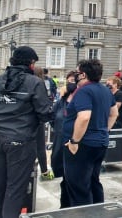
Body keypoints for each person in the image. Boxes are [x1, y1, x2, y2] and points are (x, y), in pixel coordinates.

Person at [0, 46, 54, 218]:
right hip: (20, 139)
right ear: (31, 63)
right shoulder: (34, 82)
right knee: (15, 188)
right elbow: (45, 113)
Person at [62, 59, 118, 207]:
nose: (75, 76)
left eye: (77, 73)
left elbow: (84, 117)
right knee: (93, 181)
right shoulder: (105, 90)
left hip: (83, 144)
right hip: (99, 143)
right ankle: (97, 211)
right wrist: (104, 130)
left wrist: (74, 142)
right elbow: (114, 113)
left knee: (79, 186)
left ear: (84, 74)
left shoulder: (84, 91)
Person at [51, 71, 77, 208]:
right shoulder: (61, 101)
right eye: (69, 81)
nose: (70, 83)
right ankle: (65, 206)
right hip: (60, 142)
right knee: (64, 179)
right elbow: (53, 117)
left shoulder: (80, 99)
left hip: (74, 143)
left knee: (73, 179)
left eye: (73, 80)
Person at [33, 67, 55, 181]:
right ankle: (44, 172)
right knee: (40, 147)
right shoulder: (41, 84)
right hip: (38, 120)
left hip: (24, 122)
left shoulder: (27, 83)